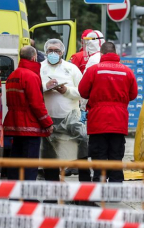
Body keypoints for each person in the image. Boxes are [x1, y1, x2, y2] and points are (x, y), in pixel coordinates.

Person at [78, 42, 138, 183]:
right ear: (115, 52)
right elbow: (133, 94)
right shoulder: (127, 71)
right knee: (116, 155)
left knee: (99, 154)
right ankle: (116, 187)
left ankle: (99, 184)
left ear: (102, 53)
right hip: (119, 120)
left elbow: (83, 91)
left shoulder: (93, 70)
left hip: (98, 120)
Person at [39, 39, 90, 181]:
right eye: (50, 51)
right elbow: (33, 89)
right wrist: (45, 86)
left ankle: (85, 187)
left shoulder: (72, 68)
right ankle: (52, 189)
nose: (53, 53)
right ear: (45, 52)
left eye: (56, 51)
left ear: (62, 52)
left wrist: (66, 90)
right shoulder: (39, 68)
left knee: (81, 150)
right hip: (47, 119)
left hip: (70, 119)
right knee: (50, 156)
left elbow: (82, 91)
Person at [3, 46, 54, 180]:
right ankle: (28, 197)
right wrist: (47, 123)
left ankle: (13, 194)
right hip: (29, 126)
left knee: (15, 162)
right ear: (34, 57)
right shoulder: (31, 76)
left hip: (14, 124)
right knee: (30, 164)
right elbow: (37, 104)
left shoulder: (12, 76)